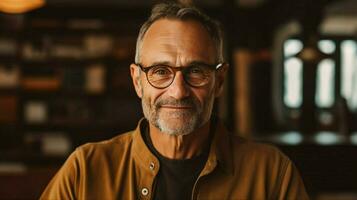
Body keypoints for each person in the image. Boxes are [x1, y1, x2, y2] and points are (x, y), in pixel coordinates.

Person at [40, 2, 309, 200]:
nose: (178, 92)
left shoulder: (272, 173)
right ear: (137, 80)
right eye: (160, 71)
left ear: (220, 81)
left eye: (195, 71)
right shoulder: (85, 170)